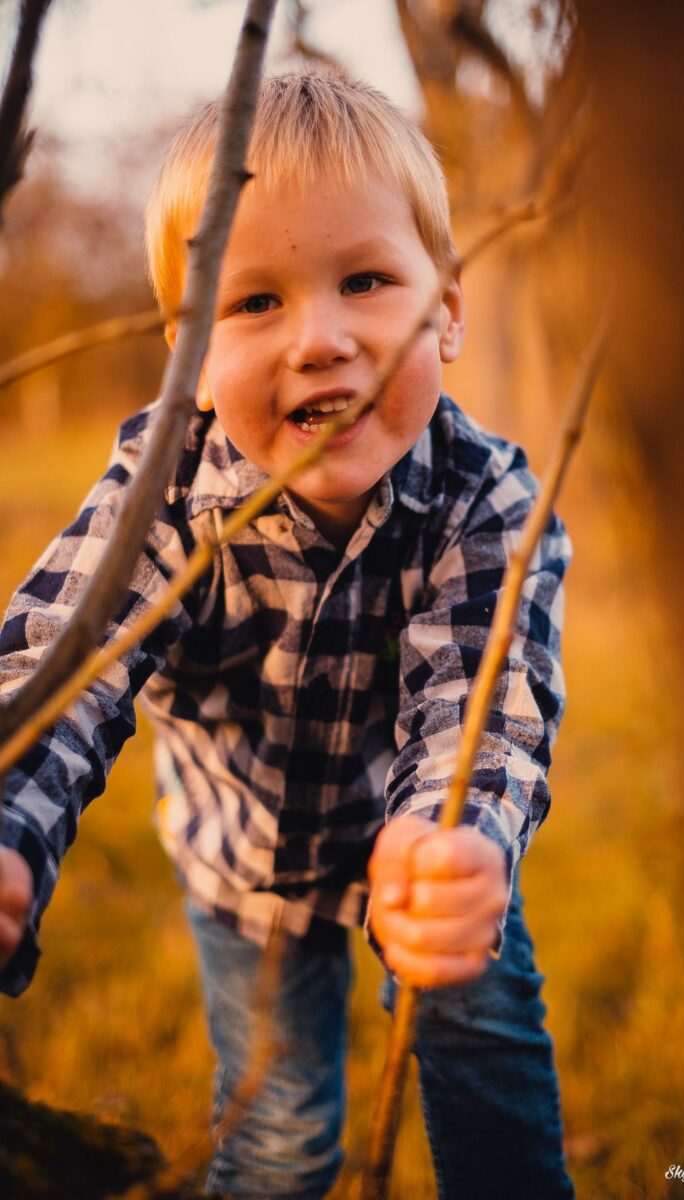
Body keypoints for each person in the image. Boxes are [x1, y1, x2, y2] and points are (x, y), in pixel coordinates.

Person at [0, 71, 574, 1199]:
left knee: (487, 1053)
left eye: (365, 282)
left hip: (425, 859)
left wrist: (451, 836)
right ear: (185, 356)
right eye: (253, 302)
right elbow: (66, 657)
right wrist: (9, 819)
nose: (318, 341)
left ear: (446, 308)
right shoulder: (161, 494)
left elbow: (481, 696)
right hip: (244, 866)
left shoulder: (484, 497)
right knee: (278, 1132)